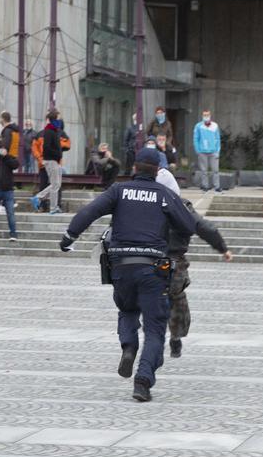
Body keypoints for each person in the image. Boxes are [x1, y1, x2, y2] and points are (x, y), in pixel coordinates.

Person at [59, 147, 196, 402]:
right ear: (157, 171)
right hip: (153, 269)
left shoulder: (118, 191)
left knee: (127, 310)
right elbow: (188, 225)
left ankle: (129, 346)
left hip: (121, 266)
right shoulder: (164, 194)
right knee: (155, 328)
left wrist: (69, 237)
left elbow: (90, 211)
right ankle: (143, 381)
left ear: (134, 168)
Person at [164, 190, 233, 359]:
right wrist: (222, 248)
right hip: (173, 262)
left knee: (142, 299)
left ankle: (134, 339)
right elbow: (203, 227)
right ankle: (176, 336)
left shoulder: (141, 200)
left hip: (145, 261)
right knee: (177, 298)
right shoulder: (180, 204)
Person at [31, 110, 65, 214]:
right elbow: (46, 147)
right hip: (51, 160)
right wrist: (57, 154)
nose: (60, 119)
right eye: (58, 118)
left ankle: (47, 202)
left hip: (55, 160)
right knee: (55, 185)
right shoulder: (49, 131)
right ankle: (51, 206)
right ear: (54, 119)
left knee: (56, 184)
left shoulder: (54, 130)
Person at [193, 110, 222, 192]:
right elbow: (196, 138)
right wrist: (197, 150)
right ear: (202, 116)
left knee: (215, 170)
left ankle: (217, 186)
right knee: (203, 171)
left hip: (213, 152)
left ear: (210, 115)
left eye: (207, 115)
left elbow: (218, 139)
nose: (206, 116)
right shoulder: (198, 126)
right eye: (204, 115)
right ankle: (205, 186)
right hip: (202, 151)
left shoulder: (215, 126)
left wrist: (217, 151)